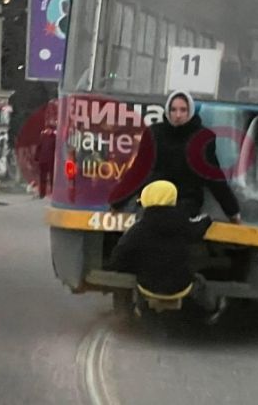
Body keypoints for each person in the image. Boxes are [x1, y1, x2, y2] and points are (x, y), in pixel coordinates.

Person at [104, 180, 227, 324]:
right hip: (181, 285)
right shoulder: (182, 222)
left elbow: (119, 256)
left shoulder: (138, 228)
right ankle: (213, 309)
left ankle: (139, 307)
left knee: (138, 278)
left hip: (147, 285)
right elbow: (198, 229)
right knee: (199, 283)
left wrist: (125, 267)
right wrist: (208, 219)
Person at [109, 90, 242, 223]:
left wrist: (232, 212)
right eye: (173, 110)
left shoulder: (202, 138)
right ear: (168, 111)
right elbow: (138, 172)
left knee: (174, 223)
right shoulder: (154, 134)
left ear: (190, 111)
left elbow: (214, 179)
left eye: (183, 110)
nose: (178, 115)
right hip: (154, 199)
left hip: (185, 201)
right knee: (145, 222)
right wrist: (117, 202)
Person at [34, 123, 56, 199]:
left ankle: (53, 193)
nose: (48, 131)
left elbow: (57, 149)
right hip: (43, 160)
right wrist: (36, 158)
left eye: (50, 129)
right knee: (42, 177)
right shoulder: (42, 137)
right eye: (47, 129)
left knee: (52, 177)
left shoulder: (55, 138)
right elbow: (38, 148)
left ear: (52, 130)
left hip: (51, 160)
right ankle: (42, 193)